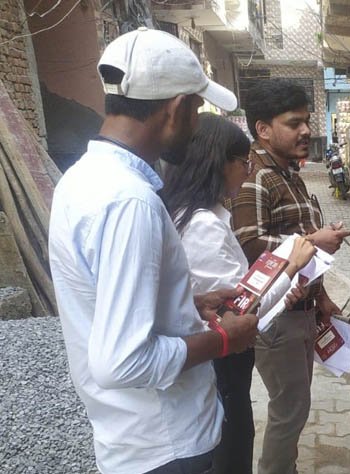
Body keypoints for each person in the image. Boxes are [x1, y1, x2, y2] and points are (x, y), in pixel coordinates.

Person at [48, 28, 259, 474]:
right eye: (196, 110)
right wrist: (225, 339)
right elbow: (122, 362)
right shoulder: (131, 202)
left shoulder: (81, 179)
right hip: (166, 443)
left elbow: (102, 298)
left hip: (129, 436)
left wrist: (187, 304)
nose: (197, 125)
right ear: (176, 108)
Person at [160, 113, 318, 474]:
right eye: (243, 163)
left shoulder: (205, 215)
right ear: (220, 163)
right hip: (220, 363)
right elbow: (241, 309)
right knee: (233, 449)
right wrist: (291, 266)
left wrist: (284, 288)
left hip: (224, 362)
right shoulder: (201, 226)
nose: (247, 172)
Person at [231, 78, 350, 474]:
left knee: (295, 405)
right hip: (277, 314)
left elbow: (298, 241)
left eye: (307, 121)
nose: (306, 131)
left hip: (301, 310)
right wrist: (314, 241)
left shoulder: (287, 173)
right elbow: (249, 245)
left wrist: (322, 298)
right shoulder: (256, 176)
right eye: (293, 123)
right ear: (263, 129)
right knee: (290, 408)